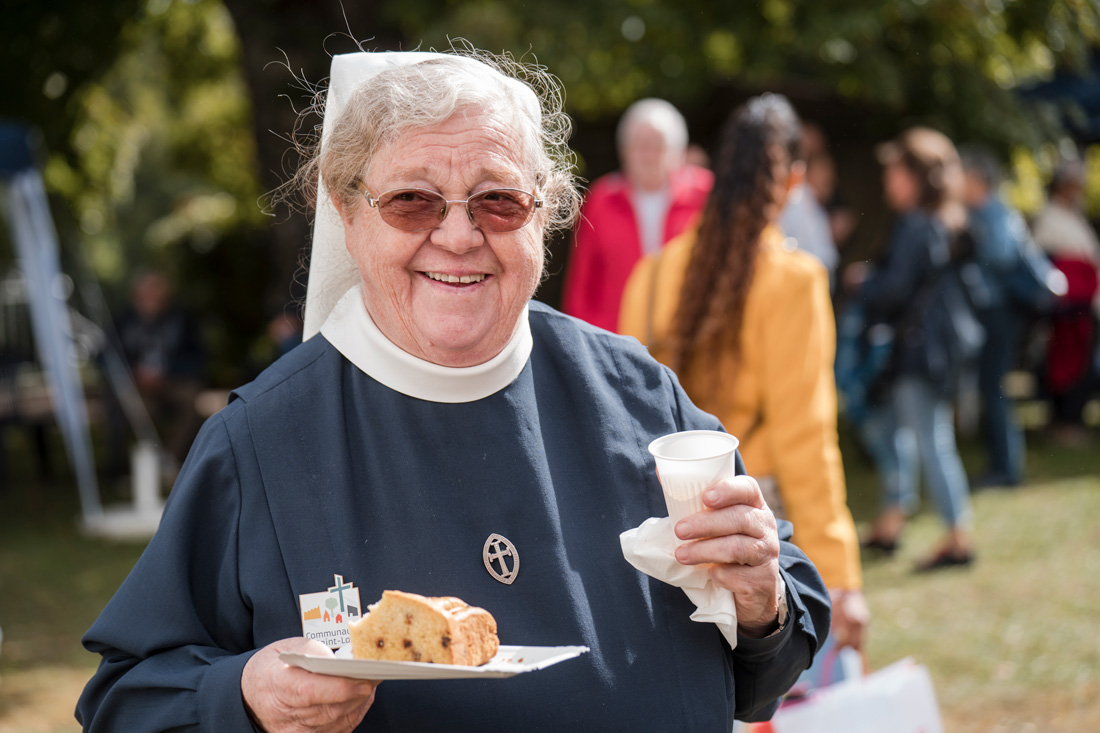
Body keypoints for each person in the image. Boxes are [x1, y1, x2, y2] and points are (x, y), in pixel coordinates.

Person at [76, 51, 829, 731]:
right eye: (413, 201)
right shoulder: (263, 443)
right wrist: (242, 694)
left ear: (546, 213)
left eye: (499, 200)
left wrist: (761, 604)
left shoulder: (638, 395)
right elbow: (125, 701)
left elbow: (770, 661)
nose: (461, 235)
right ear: (343, 208)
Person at [619, 95, 867, 656]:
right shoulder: (793, 281)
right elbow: (805, 437)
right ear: (793, 179)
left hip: (663, 530)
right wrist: (838, 574)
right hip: (755, 530)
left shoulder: (652, 274)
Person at [853, 127, 978, 571]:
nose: (888, 181)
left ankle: (958, 536)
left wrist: (864, 282)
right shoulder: (945, 222)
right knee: (895, 431)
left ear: (914, 177)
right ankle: (893, 517)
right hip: (935, 349)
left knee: (929, 438)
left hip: (917, 351)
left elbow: (895, 290)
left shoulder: (914, 225)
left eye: (894, 172)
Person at [561, 98, 712, 332]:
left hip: (688, 338)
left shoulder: (707, 195)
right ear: (624, 150)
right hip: (617, 341)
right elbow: (582, 286)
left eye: (656, 145)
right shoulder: (601, 200)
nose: (647, 155)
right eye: (639, 145)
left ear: (678, 149)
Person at [960, 147, 1029, 487]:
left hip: (999, 312)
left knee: (994, 388)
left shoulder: (992, 213)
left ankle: (1006, 468)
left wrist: (973, 245)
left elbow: (1001, 256)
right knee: (992, 387)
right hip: (994, 311)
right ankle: (1002, 464)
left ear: (977, 180)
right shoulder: (985, 212)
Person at [1031, 159, 1100, 444]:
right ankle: (1063, 423)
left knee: (1081, 364)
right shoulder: (1048, 218)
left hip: (1086, 307)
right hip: (1068, 309)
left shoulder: (1076, 218)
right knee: (1063, 365)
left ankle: (1072, 420)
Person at [114, 270, 205, 465]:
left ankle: (171, 459)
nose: (150, 300)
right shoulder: (123, 321)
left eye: (155, 295)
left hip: (172, 380)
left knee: (189, 401)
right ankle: (146, 464)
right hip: (137, 384)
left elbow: (197, 356)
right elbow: (109, 356)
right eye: (144, 295)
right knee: (140, 410)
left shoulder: (181, 319)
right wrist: (132, 373)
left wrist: (168, 374)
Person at [779, 122, 840, 286]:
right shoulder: (795, 199)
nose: (828, 187)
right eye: (824, 181)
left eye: (830, 183)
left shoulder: (815, 205)